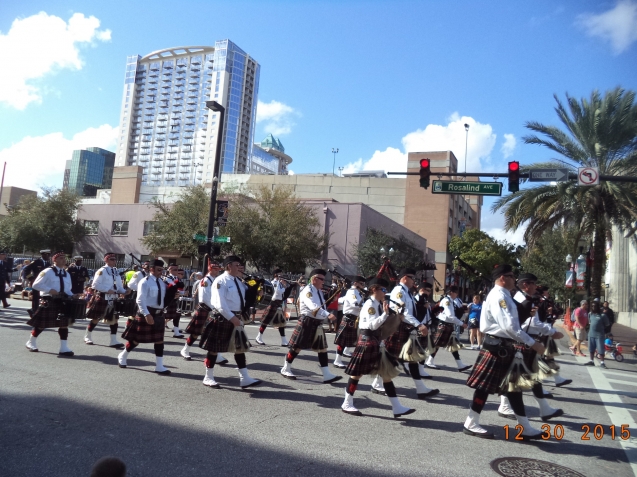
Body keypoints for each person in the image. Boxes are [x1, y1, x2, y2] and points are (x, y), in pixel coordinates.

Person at [463, 264, 548, 440]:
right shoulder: (499, 296)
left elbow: (513, 321)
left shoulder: (504, 295)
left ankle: (525, 427)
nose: (514, 279)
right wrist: (532, 343)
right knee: (484, 388)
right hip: (498, 346)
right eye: (511, 276)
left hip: (503, 346)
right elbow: (509, 327)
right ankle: (471, 423)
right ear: (503, 278)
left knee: (513, 387)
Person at [341, 278, 416, 418]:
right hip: (367, 340)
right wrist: (385, 315)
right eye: (383, 290)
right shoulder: (370, 304)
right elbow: (371, 325)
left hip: (374, 340)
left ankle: (397, 407)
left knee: (386, 375)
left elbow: (380, 325)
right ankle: (347, 403)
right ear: (374, 289)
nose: (385, 293)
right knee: (356, 374)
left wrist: (395, 318)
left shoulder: (377, 304)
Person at [501, 273, 564, 422]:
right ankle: (506, 406)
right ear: (525, 285)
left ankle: (544, 408)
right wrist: (552, 332)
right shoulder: (523, 299)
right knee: (516, 376)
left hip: (525, 339)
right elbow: (532, 323)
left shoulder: (524, 298)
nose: (536, 287)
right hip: (522, 339)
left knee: (530, 375)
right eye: (533, 284)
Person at [197, 255, 261, 389]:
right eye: (237, 265)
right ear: (229, 266)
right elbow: (219, 304)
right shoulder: (221, 281)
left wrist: (254, 285)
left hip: (236, 317)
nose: (240, 268)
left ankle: (244, 378)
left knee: (239, 348)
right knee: (213, 349)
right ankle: (208, 377)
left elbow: (245, 299)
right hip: (223, 317)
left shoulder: (238, 281)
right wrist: (233, 319)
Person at [280, 268, 342, 384]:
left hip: (317, 324)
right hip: (307, 322)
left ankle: (326, 374)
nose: (323, 281)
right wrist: (328, 315)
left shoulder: (318, 291)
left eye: (324, 279)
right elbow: (313, 307)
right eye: (321, 279)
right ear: (314, 279)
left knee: (322, 349)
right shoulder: (308, 291)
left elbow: (322, 305)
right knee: (297, 347)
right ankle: (286, 368)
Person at [386, 268, 439, 398]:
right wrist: (419, 324)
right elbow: (402, 311)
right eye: (412, 278)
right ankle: (377, 383)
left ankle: (421, 388)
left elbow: (411, 311)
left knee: (412, 358)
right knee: (390, 357)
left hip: (406, 328)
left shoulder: (407, 292)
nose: (413, 281)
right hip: (398, 327)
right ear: (404, 278)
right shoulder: (399, 291)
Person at [118, 259, 171, 374]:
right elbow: (140, 300)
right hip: (147, 312)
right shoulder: (144, 281)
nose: (161, 272)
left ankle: (159, 366)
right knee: (136, 340)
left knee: (159, 340)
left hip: (158, 314)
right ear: (151, 269)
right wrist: (146, 314)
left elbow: (163, 299)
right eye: (158, 269)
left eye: (162, 270)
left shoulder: (162, 282)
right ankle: (123, 356)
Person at [25, 251, 76, 356]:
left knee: (64, 325)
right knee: (41, 325)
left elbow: (68, 289)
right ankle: (31, 342)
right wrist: (49, 289)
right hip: (49, 300)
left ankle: (63, 347)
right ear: (55, 260)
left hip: (62, 301)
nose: (64, 260)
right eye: (61, 258)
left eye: (64, 258)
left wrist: (72, 295)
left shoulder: (67, 274)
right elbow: (35, 285)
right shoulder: (47, 271)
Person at [180, 260, 228, 364]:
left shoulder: (216, 280)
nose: (217, 271)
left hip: (214, 310)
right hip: (206, 309)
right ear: (210, 270)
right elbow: (206, 298)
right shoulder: (205, 281)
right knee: (196, 333)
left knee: (214, 334)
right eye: (215, 269)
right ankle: (185, 350)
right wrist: (215, 309)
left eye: (218, 270)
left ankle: (218, 356)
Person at [84, 253, 130, 348]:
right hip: (103, 296)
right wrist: (106, 290)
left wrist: (124, 291)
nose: (114, 261)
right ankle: (87, 336)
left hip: (113, 298)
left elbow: (119, 286)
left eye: (115, 259)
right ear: (106, 260)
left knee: (114, 320)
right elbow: (95, 285)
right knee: (96, 318)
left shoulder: (116, 271)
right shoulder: (101, 271)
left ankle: (113, 340)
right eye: (112, 259)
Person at [425, 285, 471, 371]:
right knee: (436, 344)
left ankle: (460, 365)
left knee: (452, 345)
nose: (457, 294)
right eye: (456, 292)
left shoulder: (452, 301)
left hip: (449, 325)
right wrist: (461, 324)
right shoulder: (447, 301)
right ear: (451, 292)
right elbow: (450, 316)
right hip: (444, 325)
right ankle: (427, 361)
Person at [333, 275, 366, 368]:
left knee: (353, 340)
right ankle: (337, 360)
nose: (363, 286)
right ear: (355, 283)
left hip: (354, 318)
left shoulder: (358, 292)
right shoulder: (352, 292)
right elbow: (355, 303)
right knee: (342, 341)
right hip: (349, 318)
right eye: (361, 284)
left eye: (363, 284)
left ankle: (346, 353)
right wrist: (364, 306)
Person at [255, 269, 294, 347]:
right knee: (266, 321)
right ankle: (259, 337)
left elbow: (284, 293)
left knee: (281, 323)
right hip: (273, 303)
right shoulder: (274, 283)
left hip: (279, 304)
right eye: (279, 274)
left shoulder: (280, 283)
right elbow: (277, 292)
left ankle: (283, 340)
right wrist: (284, 287)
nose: (281, 275)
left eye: (281, 274)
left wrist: (289, 286)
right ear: (275, 274)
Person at [585, 301, 610, 368]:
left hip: (599, 335)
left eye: (595, 306)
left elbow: (607, 324)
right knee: (591, 349)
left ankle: (602, 363)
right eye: (592, 306)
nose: (593, 307)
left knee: (600, 349)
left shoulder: (603, 315)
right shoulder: (590, 314)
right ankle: (591, 361)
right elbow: (590, 322)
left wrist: (603, 330)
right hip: (591, 334)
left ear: (598, 307)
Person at [163, 264, 185, 338]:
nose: (177, 271)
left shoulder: (177, 278)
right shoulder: (166, 278)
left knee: (177, 315)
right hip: (168, 300)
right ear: (170, 270)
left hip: (175, 299)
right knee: (163, 316)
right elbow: (165, 289)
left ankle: (176, 332)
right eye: (174, 270)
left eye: (177, 270)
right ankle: (159, 331)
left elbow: (180, 289)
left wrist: (182, 293)